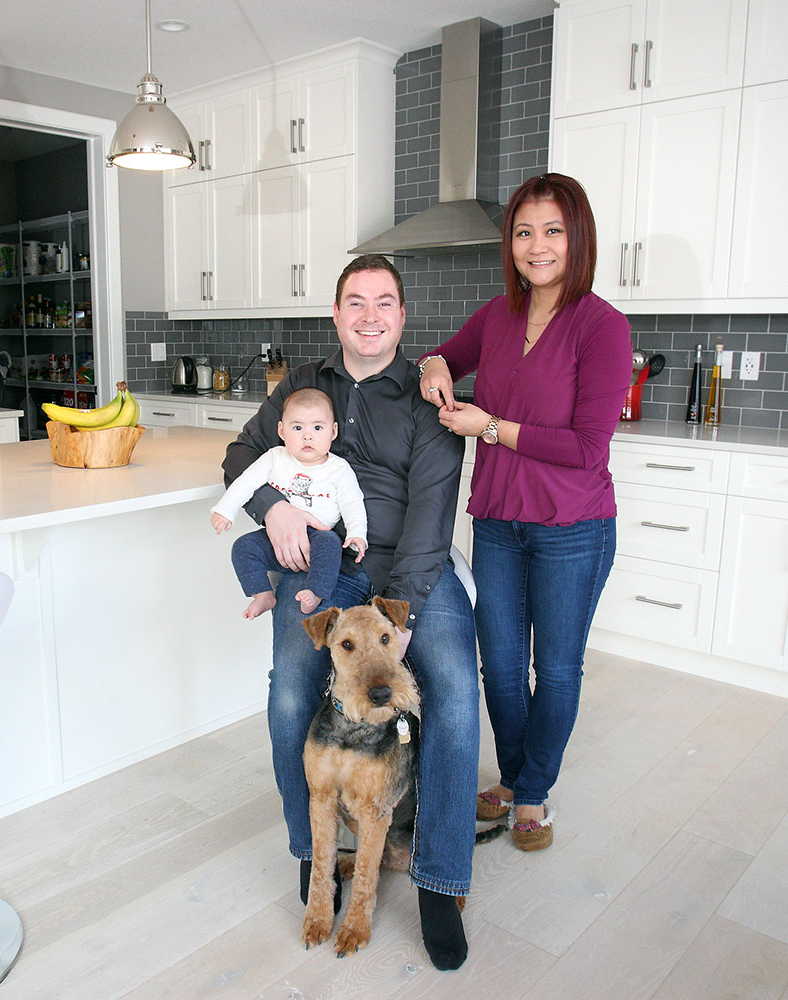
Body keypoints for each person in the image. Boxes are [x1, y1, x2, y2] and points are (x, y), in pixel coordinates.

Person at [222, 254, 479, 970]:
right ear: (336, 314)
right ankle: (314, 859)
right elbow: (241, 455)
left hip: (412, 569)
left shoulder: (431, 399)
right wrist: (273, 508)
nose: (369, 316)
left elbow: (432, 515)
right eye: (355, 302)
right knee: (288, 698)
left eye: (384, 302)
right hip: (321, 565)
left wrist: (398, 616)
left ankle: (438, 876)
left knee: (455, 691)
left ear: (403, 316)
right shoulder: (300, 387)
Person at [417, 173, 631, 853]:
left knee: (557, 669)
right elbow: (444, 356)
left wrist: (490, 427)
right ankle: (512, 779)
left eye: (553, 231)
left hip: (574, 526)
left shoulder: (603, 327)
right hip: (499, 520)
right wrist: (431, 367)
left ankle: (534, 791)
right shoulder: (499, 316)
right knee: (500, 666)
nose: (536, 246)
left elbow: (587, 449)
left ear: (578, 239)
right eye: (523, 232)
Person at [211, 387, 368, 618]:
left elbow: (353, 503)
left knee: (330, 545)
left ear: (333, 431)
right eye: (297, 428)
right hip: (276, 538)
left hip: (317, 538)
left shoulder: (339, 469)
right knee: (243, 548)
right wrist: (225, 511)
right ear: (281, 430)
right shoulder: (274, 458)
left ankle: (315, 592)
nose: (307, 436)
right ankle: (262, 594)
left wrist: (357, 534)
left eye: (317, 427)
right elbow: (245, 483)